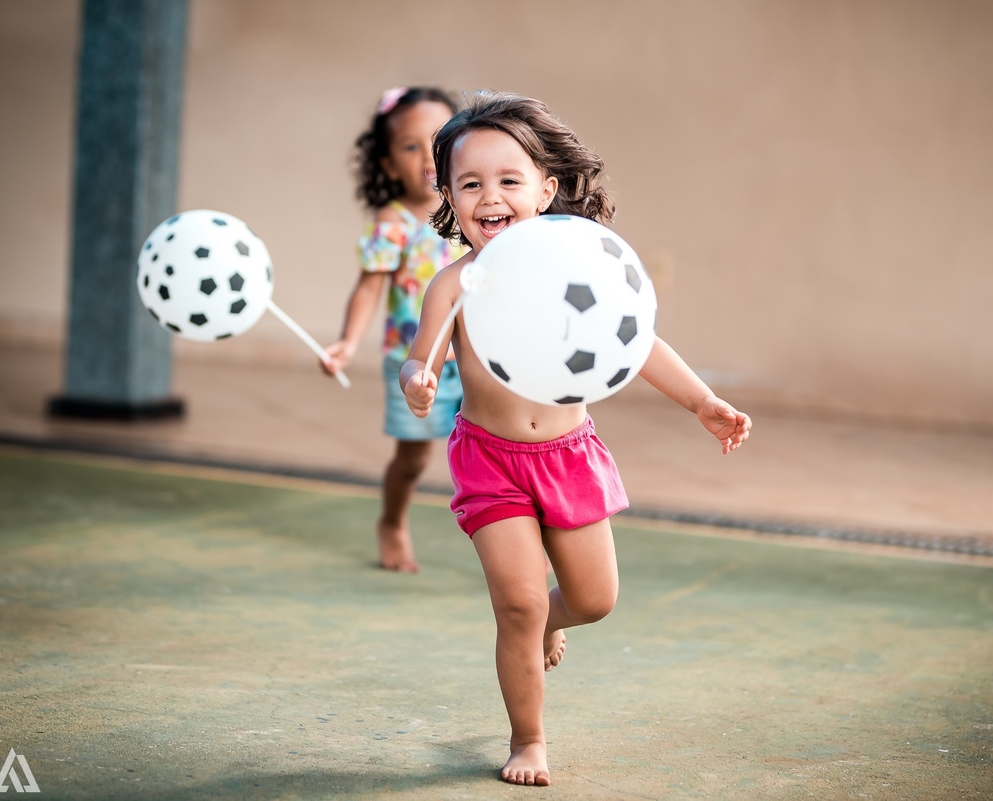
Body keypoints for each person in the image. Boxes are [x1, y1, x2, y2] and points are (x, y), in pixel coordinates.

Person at [401, 90, 752, 787]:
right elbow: (424, 356)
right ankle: (528, 736)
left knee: (592, 599)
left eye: (509, 180)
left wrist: (701, 401)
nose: (490, 197)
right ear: (448, 194)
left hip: (568, 455)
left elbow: (637, 341)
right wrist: (419, 379)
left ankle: (543, 621)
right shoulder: (455, 284)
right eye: (470, 183)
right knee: (520, 602)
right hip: (490, 460)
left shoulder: (576, 269)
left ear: (546, 188)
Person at [321, 86, 466, 572]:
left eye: (439, 139)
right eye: (410, 146)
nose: (428, 155)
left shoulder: (473, 210)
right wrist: (347, 341)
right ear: (387, 165)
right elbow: (368, 289)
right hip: (415, 363)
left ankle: (529, 541)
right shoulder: (394, 222)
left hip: (476, 360)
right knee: (414, 460)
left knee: (503, 453)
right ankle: (392, 521)